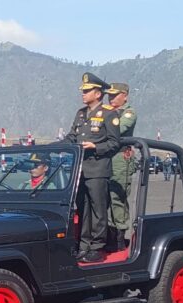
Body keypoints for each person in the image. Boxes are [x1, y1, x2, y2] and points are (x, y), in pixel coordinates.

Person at [65, 72, 121, 263]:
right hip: (81, 170)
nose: (83, 94)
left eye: (87, 91)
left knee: (98, 209)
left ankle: (97, 247)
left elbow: (115, 143)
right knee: (82, 208)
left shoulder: (109, 114)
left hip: (98, 169)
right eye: (83, 90)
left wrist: (95, 147)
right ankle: (83, 245)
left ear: (98, 93)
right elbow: (72, 136)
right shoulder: (81, 113)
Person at [104, 83, 138, 252]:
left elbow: (118, 128)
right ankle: (108, 235)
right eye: (109, 95)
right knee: (104, 198)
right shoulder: (107, 112)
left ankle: (119, 237)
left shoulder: (128, 112)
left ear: (124, 95)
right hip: (105, 158)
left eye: (114, 95)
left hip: (119, 159)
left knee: (117, 197)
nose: (111, 98)